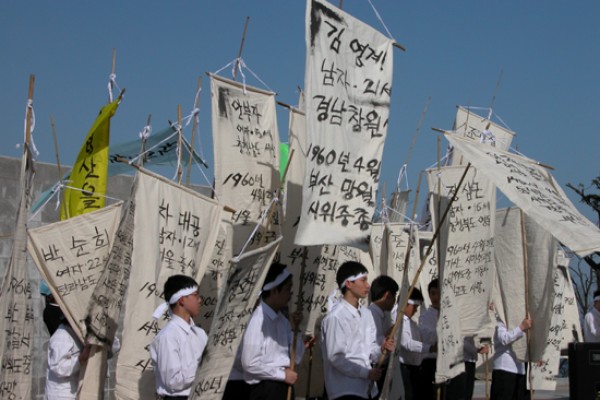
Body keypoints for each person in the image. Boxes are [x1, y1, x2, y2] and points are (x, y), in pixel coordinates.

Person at [321, 261, 394, 400]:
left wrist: (382, 349)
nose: (368, 285)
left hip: (365, 389)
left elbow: (371, 351)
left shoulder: (366, 314)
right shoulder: (336, 317)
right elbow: (336, 358)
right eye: (363, 280)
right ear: (349, 284)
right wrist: (365, 373)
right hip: (344, 390)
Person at [241, 262, 305, 400]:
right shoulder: (258, 319)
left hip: (284, 385)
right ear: (274, 290)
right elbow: (249, 363)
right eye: (287, 289)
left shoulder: (284, 321)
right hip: (266, 389)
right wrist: (281, 375)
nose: (290, 295)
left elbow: (297, 358)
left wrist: (295, 328)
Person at [150, 275, 207, 400]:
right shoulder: (168, 336)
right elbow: (173, 381)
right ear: (182, 300)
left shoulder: (200, 333)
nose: (199, 300)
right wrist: (204, 366)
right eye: (195, 295)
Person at [489, 308, 532, 400]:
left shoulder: (526, 319)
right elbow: (504, 338)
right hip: (505, 367)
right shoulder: (502, 318)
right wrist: (521, 328)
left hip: (521, 368)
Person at [368, 275, 399, 398]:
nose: (394, 301)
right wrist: (387, 339)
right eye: (394, 297)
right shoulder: (371, 315)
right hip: (373, 370)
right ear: (387, 296)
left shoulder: (382, 315)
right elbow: (371, 348)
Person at [398, 287, 431, 400]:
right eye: (415, 307)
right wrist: (430, 348)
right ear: (406, 304)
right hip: (405, 369)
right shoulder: (399, 321)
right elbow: (407, 343)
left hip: (416, 367)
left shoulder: (412, 323)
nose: (416, 310)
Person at [45, 319, 92, 399]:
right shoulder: (62, 335)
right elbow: (58, 366)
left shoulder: (78, 333)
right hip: (61, 393)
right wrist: (80, 359)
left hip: (74, 390)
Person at [418, 279, 439, 400]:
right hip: (430, 361)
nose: (435, 297)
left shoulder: (449, 314)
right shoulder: (425, 315)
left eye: (438, 293)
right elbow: (425, 335)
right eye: (432, 293)